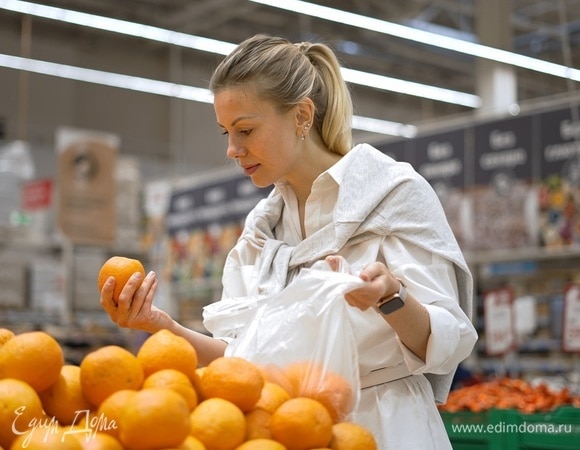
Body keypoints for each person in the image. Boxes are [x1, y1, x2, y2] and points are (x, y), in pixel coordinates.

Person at [100, 34, 478, 449]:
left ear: (301, 116)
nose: (232, 149)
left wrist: (392, 296)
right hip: (284, 430)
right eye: (225, 131)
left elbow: (448, 340)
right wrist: (162, 326)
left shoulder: (392, 195)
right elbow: (240, 358)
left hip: (384, 427)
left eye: (245, 129)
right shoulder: (260, 232)